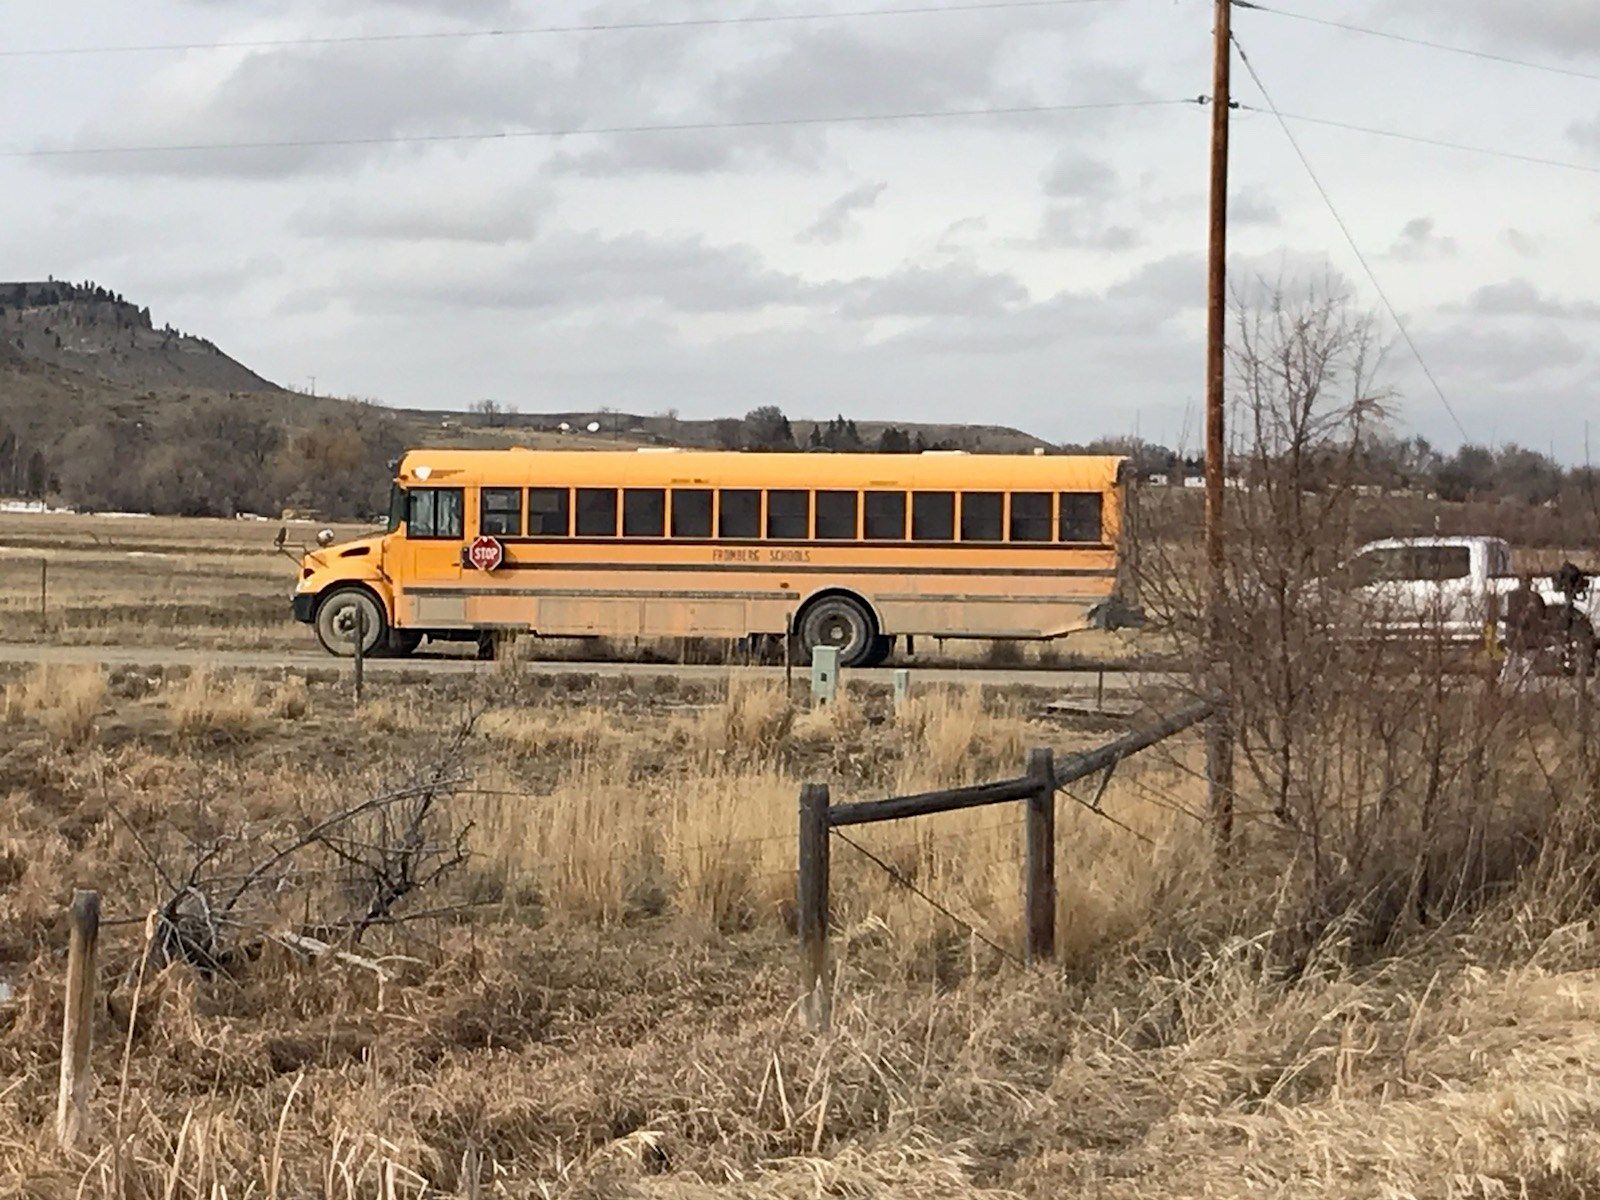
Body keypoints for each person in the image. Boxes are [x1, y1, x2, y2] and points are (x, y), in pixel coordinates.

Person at [1501, 574, 1546, 692]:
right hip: (1518, 639)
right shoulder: (1513, 597)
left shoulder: (1534, 598)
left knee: (1527, 670)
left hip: (1527, 640)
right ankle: (1510, 693)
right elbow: (1506, 617)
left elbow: (1541, 618)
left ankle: (1526, 696)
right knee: (1513, 669)